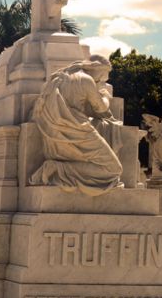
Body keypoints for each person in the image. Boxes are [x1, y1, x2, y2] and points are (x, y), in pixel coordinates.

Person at [31, 55, 123, 196]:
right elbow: (101, 108)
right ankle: (58, 168)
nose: (103, 79)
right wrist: (105, 96)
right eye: (104, 74)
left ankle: (57, 167)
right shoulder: (86, 80)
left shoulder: (59, 78)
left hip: (54, 135)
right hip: (79, 132)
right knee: (114, 169)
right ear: (96, 68)